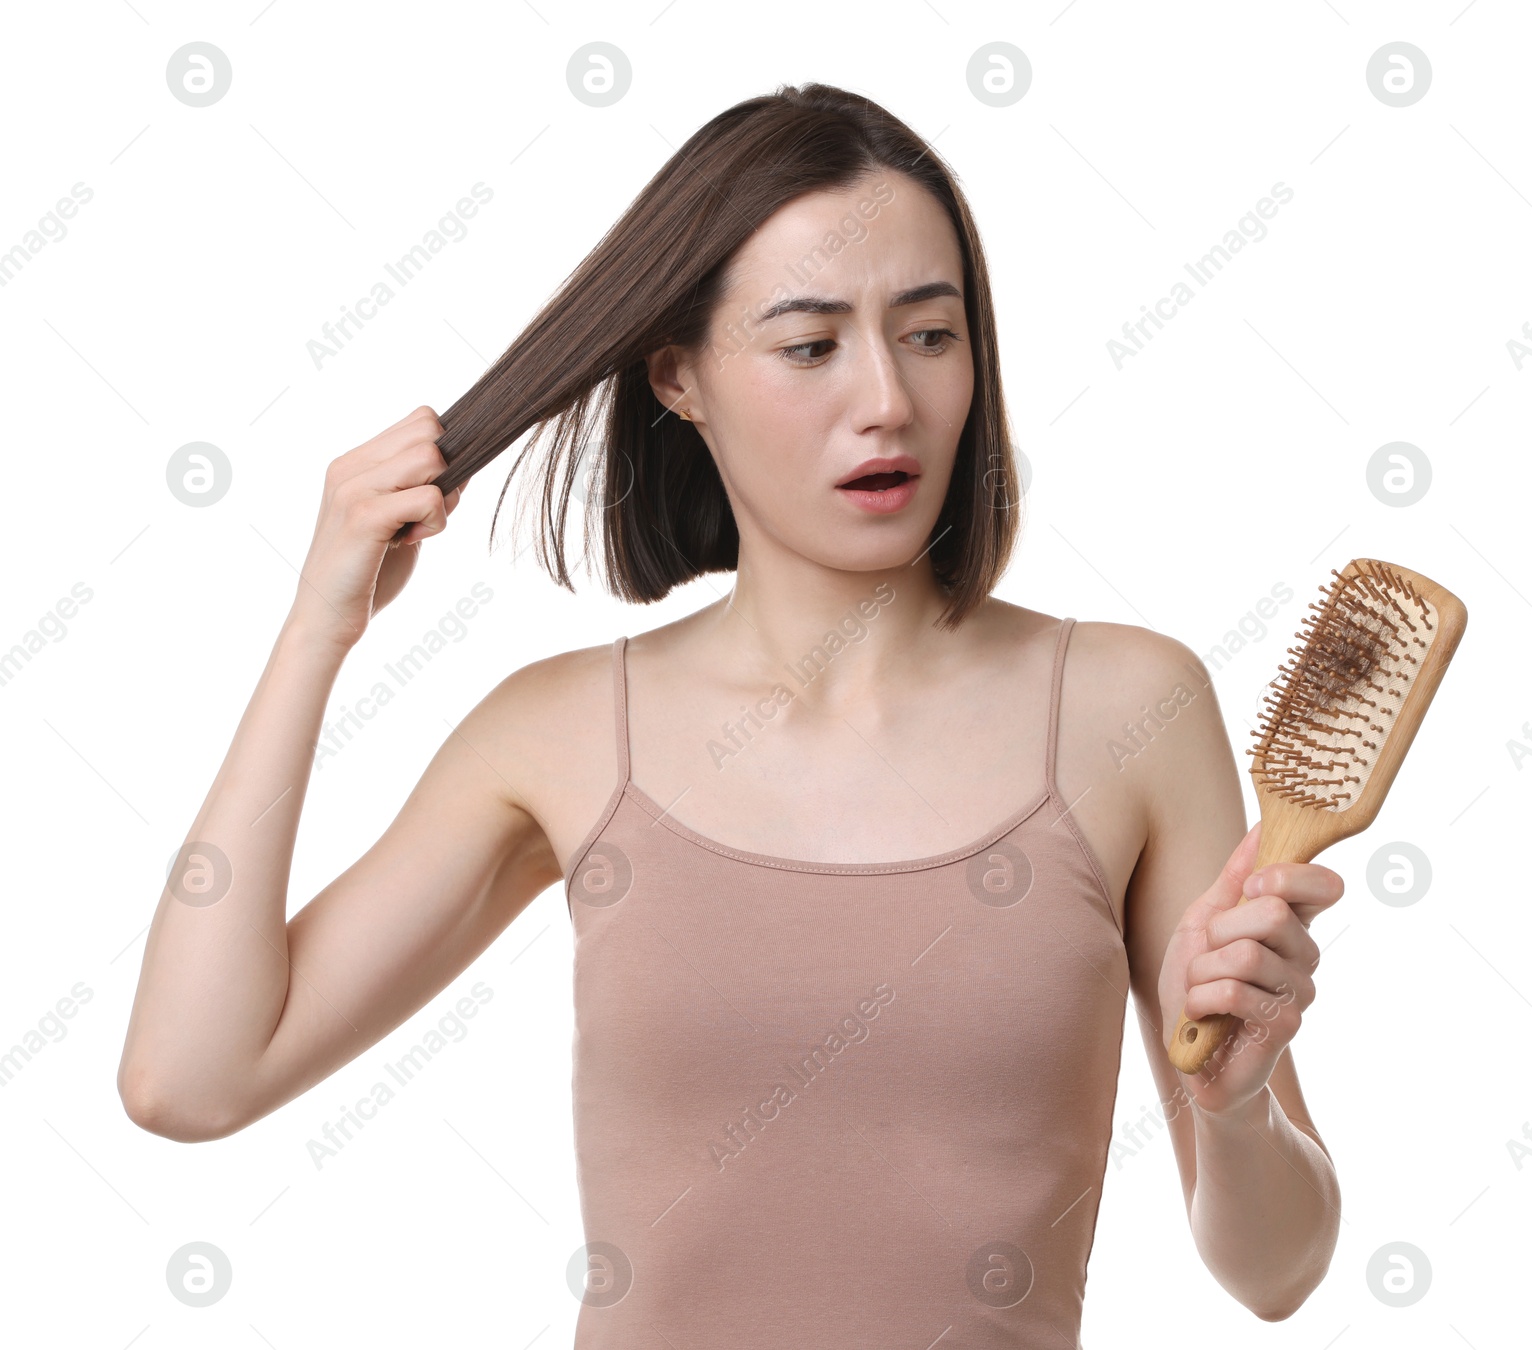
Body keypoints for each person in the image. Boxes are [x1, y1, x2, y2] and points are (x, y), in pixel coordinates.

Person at [119, 81, 1342, 1345]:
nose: (887, 399)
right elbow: (188, 1081)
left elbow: (1277, 1273)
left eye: (929, 332)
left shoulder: (1128, 708)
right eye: (810, 346)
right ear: (680, 379)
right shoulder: (562, 732)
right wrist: (319, 626)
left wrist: (1236, 1109)